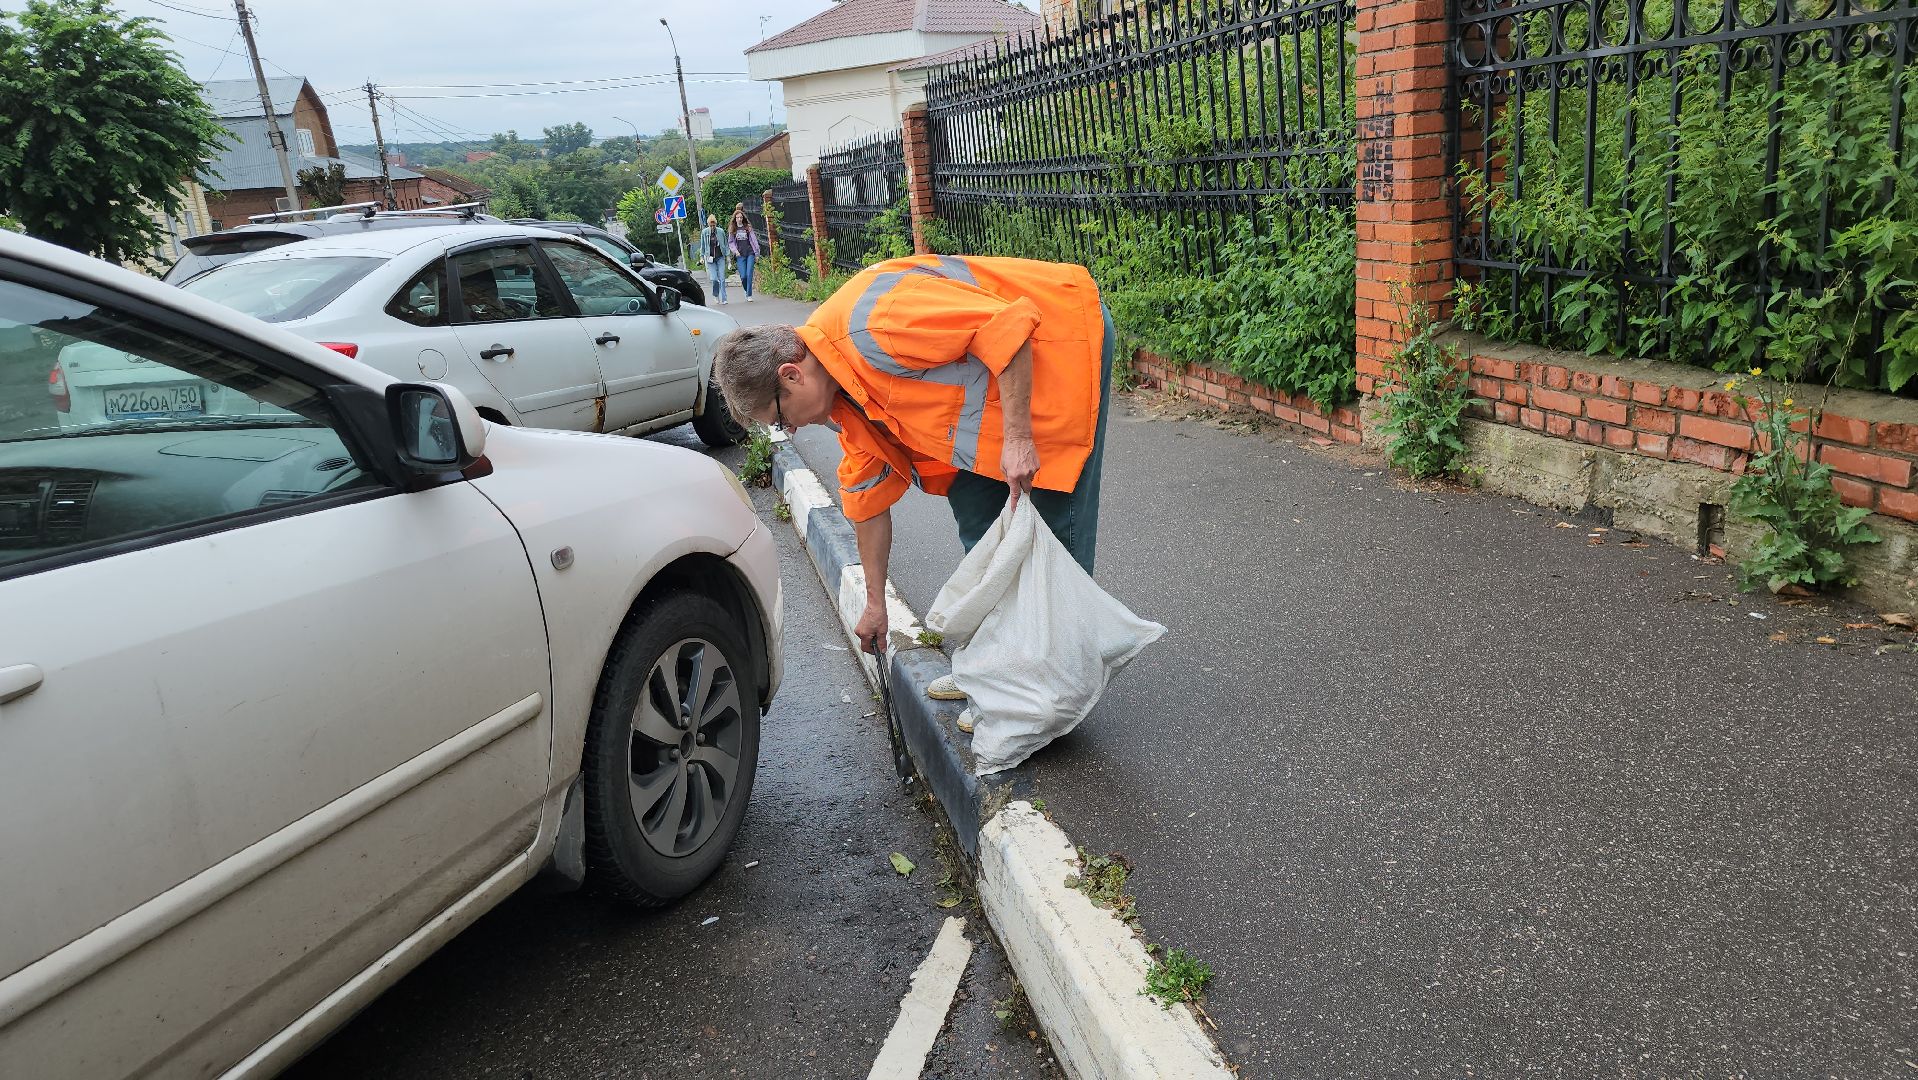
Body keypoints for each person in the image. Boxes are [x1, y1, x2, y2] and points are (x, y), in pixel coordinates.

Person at [712, 254, 1113, 712]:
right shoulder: (841, 398)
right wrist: (875, 605)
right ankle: (1000, 667)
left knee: (1055, 524)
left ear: (791, 374)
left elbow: (1010, 325)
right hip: (996, 406)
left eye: (780, 419)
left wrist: (1020, 438)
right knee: (981, 524)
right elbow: (866, 502)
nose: (792, 432)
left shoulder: (877, 323)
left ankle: (1053, 691)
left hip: (1062, 344)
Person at [728, 205, 760, 302]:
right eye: (737, 217)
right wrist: (735, 251)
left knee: (749, 273)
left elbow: (753, 240)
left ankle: (749, 295)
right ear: (735, 219)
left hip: (750, 253)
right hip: (740, 255)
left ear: (743, 218)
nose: (739, 219)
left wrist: (757, 253)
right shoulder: (733, 229)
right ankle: (746, 290)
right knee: (743, 276)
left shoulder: (747, 227)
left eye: (741, 217)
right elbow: (731, 242)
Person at [700, 213, 729, 305]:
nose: (712, 227)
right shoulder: (705, 232)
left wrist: (728, 256)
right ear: (708, 225)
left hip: (720, 257)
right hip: (710, 259)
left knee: (722, 278)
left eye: (714, 225)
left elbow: (725, 244)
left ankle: (724, 298)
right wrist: (701, 257)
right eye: (710, 225)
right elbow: (703, 246)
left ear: (716, 224)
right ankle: (716, 295)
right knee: (714, 279)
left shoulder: (720, 231)